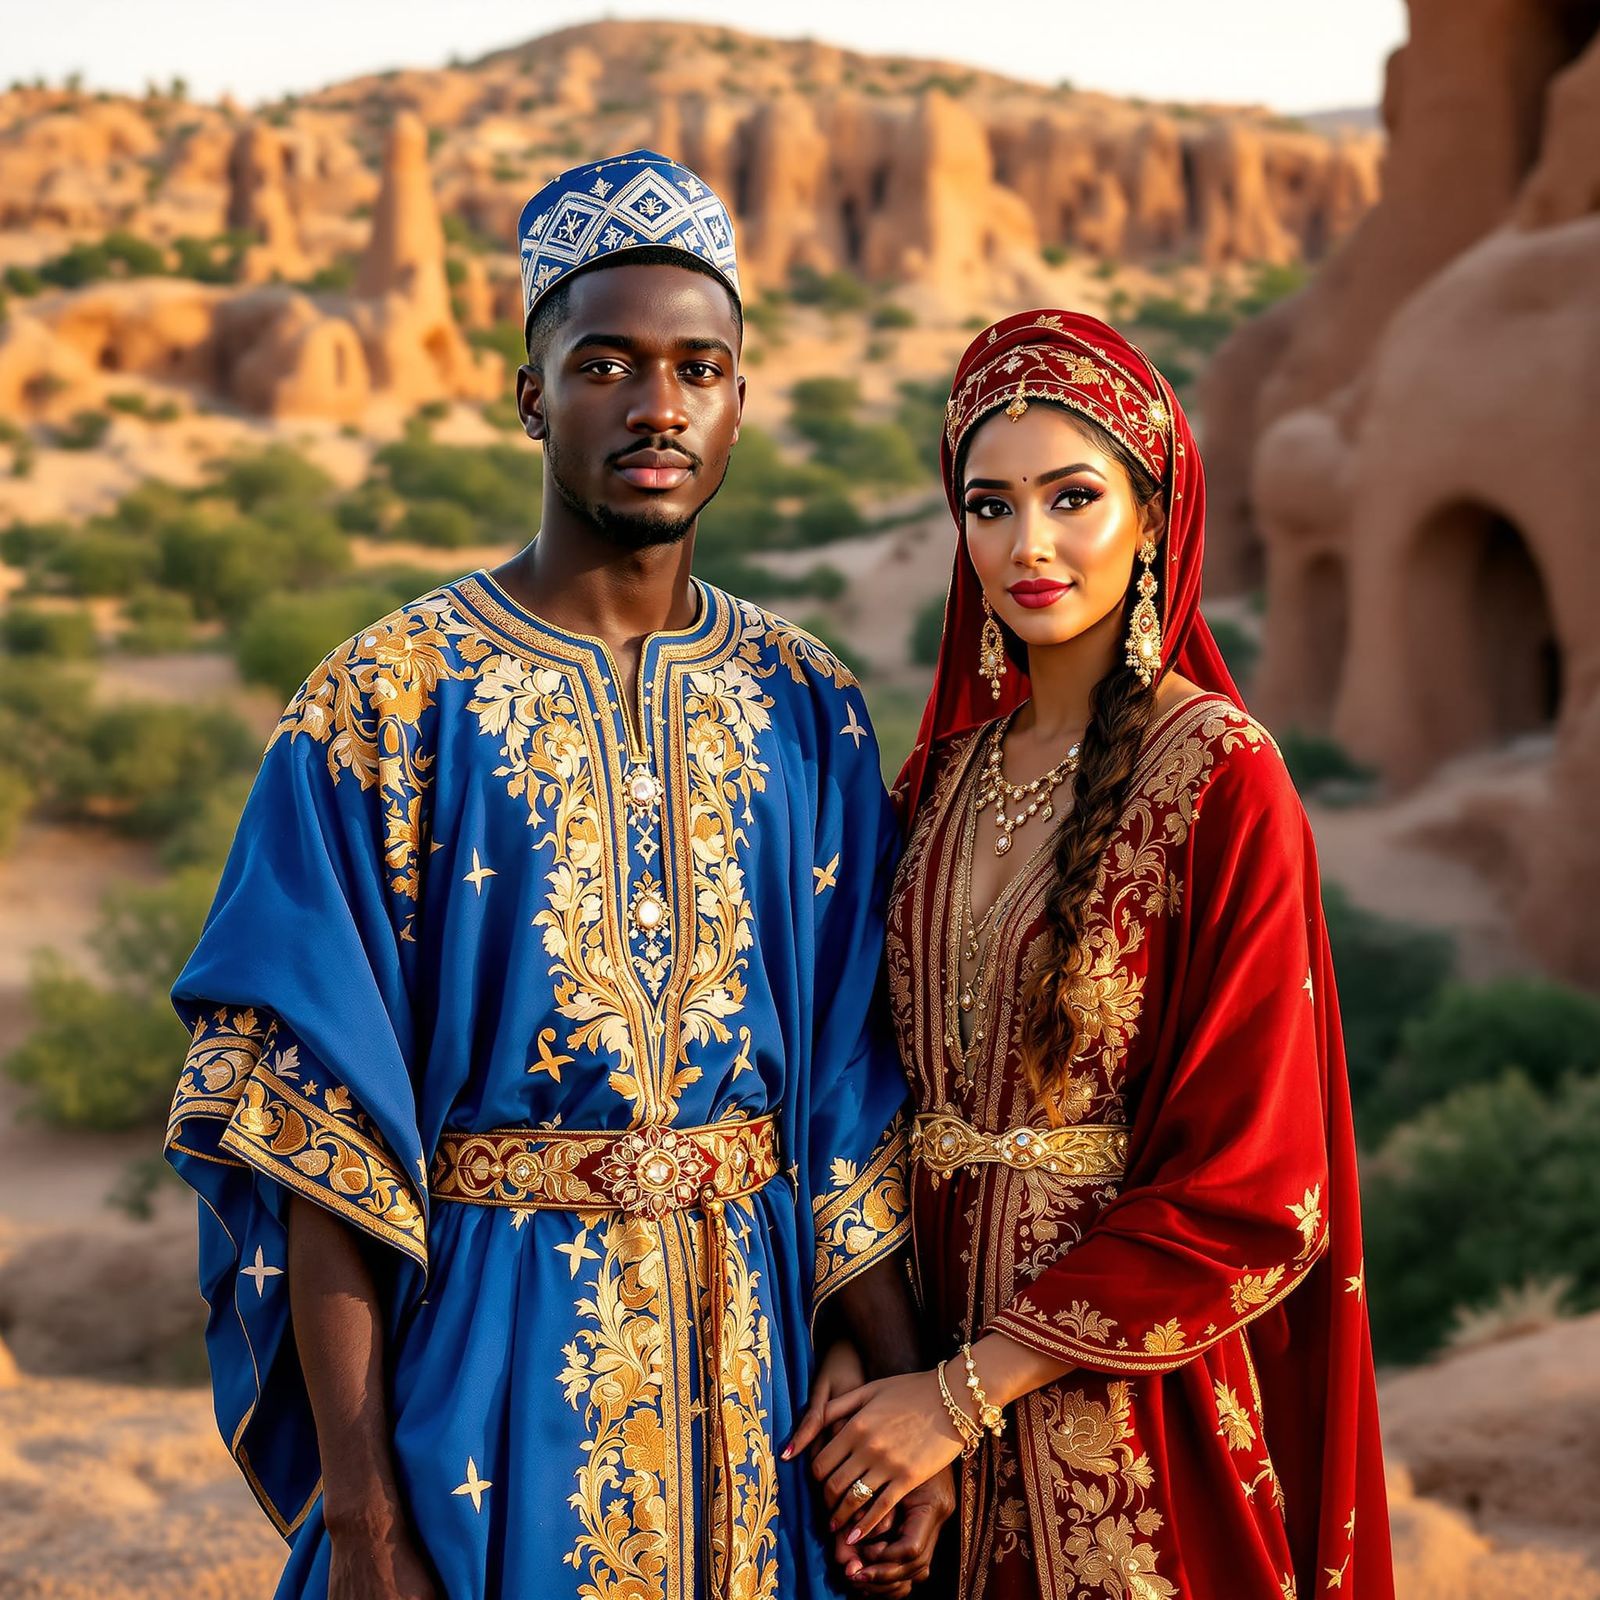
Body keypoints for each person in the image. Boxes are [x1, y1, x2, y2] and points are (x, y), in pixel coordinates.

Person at [164, 149, 949, 1600]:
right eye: (607, 361)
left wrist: (909, 1410)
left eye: (697, 366)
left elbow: (854, 1096)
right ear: (532, 392)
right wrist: (364, 1519)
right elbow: (310, 1126)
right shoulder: (385, 703)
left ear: (737, 403)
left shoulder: (809, 704)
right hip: (488, 1381)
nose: (656, 404)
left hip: (762, 1384)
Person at [788, 310, 1393, 1598]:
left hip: (1130, 1425)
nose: (1031, 545)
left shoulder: (1224, 781)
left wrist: (962, 1394)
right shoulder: (936, 784)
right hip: (915, 1411)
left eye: (1074, 496)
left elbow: (1257, 1193)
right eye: (989, 505)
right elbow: (861, 1098)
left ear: (1155, 508)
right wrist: (870, 1361)